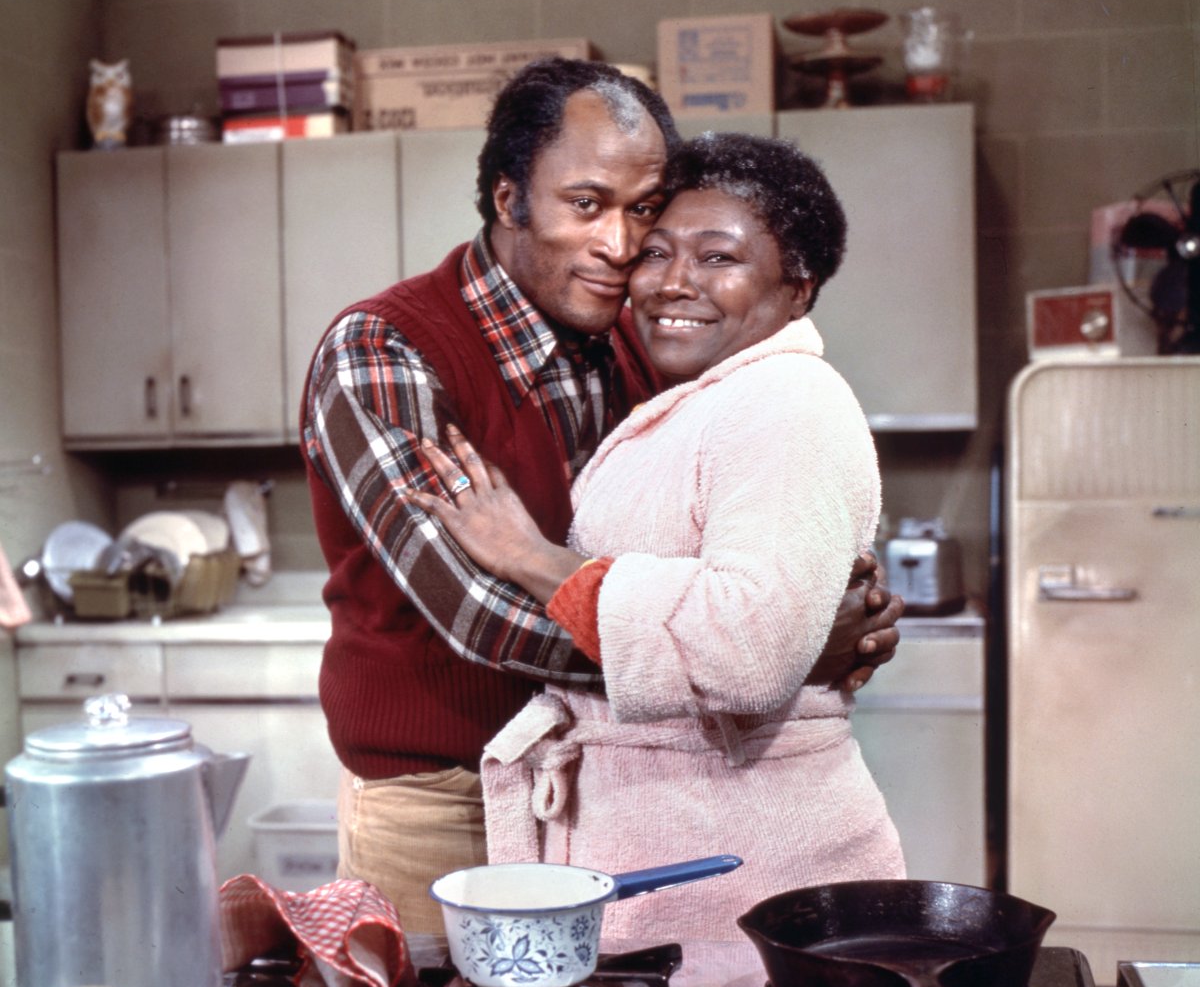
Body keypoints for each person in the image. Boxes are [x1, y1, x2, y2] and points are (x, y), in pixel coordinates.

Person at [302, 59, 903, 934]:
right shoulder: (386, 351)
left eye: (645, 210)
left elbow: (734, 529)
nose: (623, 247)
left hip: (602, 786)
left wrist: (797, 613)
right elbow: (481, 614)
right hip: (442, 798)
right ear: (510, 199)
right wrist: (757, 657)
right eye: (586, 205)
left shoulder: (646, 335)